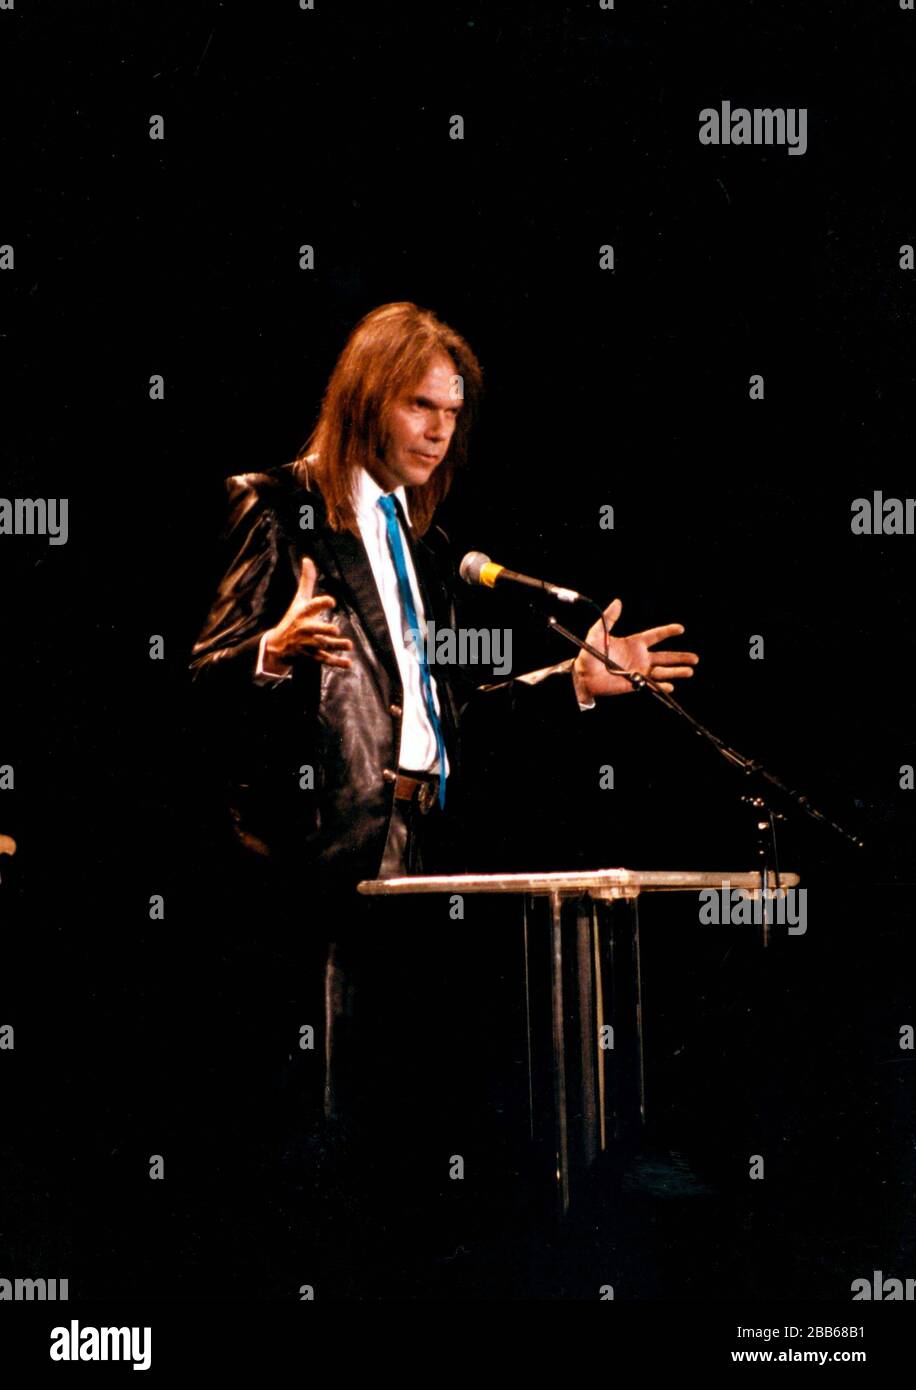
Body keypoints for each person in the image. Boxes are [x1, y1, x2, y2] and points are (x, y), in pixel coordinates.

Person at [187, 303, 699, 1242]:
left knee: (403, 1141)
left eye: (453, 413)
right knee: (308, 1140)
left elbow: (439, 717)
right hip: (313, 870)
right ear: (368, 399)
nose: (439, 430)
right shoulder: (274, 504)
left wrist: (569, 682)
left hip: (424, 864)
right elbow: (195, 682)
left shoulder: (417, 543)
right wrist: (269, 650)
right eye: (420, 406)